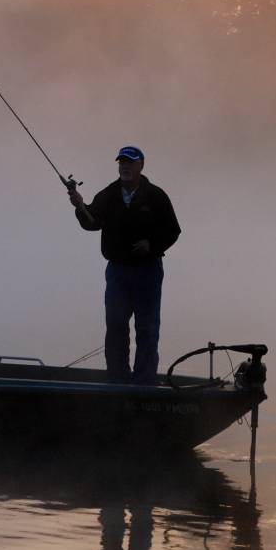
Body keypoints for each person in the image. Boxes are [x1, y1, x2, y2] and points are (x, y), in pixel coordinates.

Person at [69, 146, 181, 385]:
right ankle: (117, 380)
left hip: (148, 272)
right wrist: (79, 206)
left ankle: (144, 381)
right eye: (121, 162)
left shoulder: (156, 196)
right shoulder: (108, 194)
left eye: (130, 162)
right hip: (117, 272)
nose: (125, 167)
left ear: (142, 165)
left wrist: (151, 245)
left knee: (147, 328)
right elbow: (92, 222)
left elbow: (173, 230)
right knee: (116, 325)